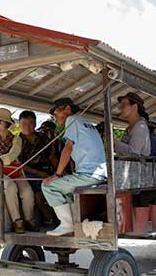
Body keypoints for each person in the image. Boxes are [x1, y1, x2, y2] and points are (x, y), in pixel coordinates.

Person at [42, 98, 107, 236]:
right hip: (100, 173)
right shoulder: (86, 123)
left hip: (89, 174)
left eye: (56, 112)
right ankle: (76, 222)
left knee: (48, 186)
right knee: (67, 190)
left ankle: (67, 224)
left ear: (67, 109)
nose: (55, 117)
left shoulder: (71, 120)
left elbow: (67, 149)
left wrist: (57, 175)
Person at [0, 108, 35, 234]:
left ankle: (29, 219)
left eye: (0, 122)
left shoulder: (17, 139)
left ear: (7, 124)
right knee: (9, 186)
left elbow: (13, 155)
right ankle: (17, 221)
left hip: (15, 172)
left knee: (27, 191)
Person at [17, 111, 55, 226]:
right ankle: (50, 221)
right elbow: (20, 165)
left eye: (30, 123)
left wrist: (59, 172)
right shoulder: (17, 141)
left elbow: (51, 155)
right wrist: (39, 173)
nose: (27, 127)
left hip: (47, 171)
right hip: (30, 173)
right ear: (19, 124)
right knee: (39, 195)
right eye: (24, 123)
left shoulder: (42, 137)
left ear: (35, 124)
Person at [115, 92, 151, 156]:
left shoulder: (141, 126)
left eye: (123, 105)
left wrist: (114, 142)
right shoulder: (129, 128)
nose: (119, 108)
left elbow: (134, 153)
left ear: (134, 107)